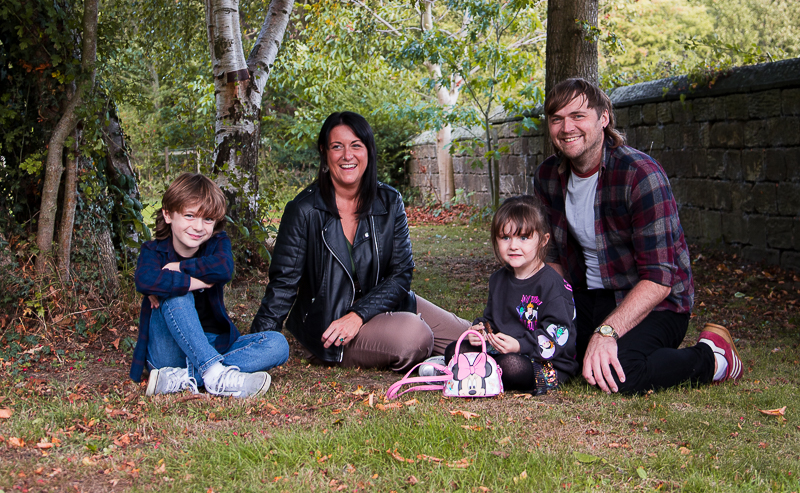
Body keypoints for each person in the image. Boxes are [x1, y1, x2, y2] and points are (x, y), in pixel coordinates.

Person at [533, 78, 742, 395]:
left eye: (578, 116)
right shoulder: (548, 176)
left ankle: (715, 358)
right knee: (555, 358)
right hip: (589, 296)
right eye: (557, 119)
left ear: (603, 118)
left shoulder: (640, 175)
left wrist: (606, 332)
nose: (566, 128)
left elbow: (659, 279)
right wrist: (551, 312)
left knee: (620, 375)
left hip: (658, 304)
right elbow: (553, 258)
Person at [250, 111, 470, 370]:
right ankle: (426, 352)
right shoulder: (303, 211)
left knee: (471, 338)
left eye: (356, 145)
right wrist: (259, 345)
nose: (347, 155)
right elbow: (283, 285)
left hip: (380, 306)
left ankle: (442, 356)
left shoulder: (389, 201)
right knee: (415, 337)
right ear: (324, 152)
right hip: (331, 324)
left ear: (368, 151)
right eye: (337, 147)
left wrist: (359, 314)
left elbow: (401, 273)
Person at [130, 172, 289, 397]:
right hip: (168, 351)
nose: (198, 227)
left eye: (207, 219)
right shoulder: (152, 251)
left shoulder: (217, 243)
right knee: (178, 294)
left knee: (277, 344)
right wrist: (196, 282)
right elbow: (145, 279)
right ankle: (215, 373)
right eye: (189, 216)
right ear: (168, 215)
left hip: (213, 341)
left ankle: (186, 377)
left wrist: (177, 269)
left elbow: (224, 269)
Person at [443, 194, 578, 394]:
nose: (513, 245)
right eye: (505, 237)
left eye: (523, 237)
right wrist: (481, 330)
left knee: (510, 366)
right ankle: (477, 369)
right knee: (454, 349)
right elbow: (492, 319)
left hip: (547, 364)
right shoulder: (498, 280)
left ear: (542, 240)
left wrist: (519, 345)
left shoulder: (552, 285)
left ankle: (477, 370)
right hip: (502, 351)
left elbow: (558, 335)